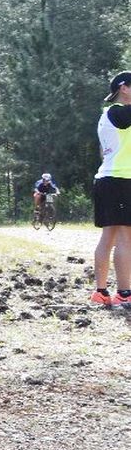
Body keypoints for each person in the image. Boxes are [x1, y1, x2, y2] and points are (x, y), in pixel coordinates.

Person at [91, 70, 131, 309]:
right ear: (124, 88)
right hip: (120, 180)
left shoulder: (111, 116)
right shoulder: (116, 113)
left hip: (111, 180)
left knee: (110, 236)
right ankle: (125, 293)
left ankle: (101, 291)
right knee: (126, 236)